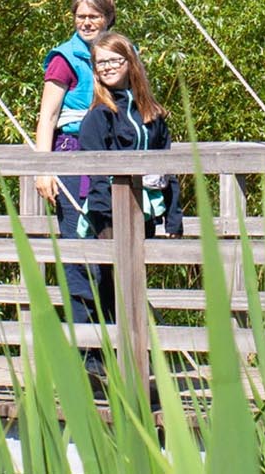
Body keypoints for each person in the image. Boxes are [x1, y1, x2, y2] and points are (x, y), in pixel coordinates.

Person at [70, 31, 183, 336]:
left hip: (142, 211)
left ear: (129, 62)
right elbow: (95, 174)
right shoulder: (99, 116)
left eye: (112, 60)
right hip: (108, 213)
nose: (105, 67)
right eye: (99, 63)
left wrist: (173, 217)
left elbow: (167, 166)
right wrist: (106, 222)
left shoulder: (151, 114)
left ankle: (137, 365)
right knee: (112, 284)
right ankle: (102, 364)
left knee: (134, 283)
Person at [35, 0, 116, 324]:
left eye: (93, 16)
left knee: (114, 252)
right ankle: (86, 357)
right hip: (73, 160)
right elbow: (48, 117)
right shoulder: (64, 60)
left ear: (107, 18)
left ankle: (119, 349)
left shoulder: (120, 54)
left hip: (113, 161)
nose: (86, 23)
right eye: (80, 16)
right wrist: (43, 168)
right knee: (79, 253)